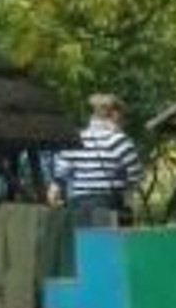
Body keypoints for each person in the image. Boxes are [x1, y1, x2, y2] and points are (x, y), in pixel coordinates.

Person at [52, 92, 143, 223]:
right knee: (106, 243)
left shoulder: (75, 139)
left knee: (82, 243)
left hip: (77, 206)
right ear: (115, 114)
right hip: (108, 207)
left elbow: (60, 176)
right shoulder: (119, 140)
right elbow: (135, 176)